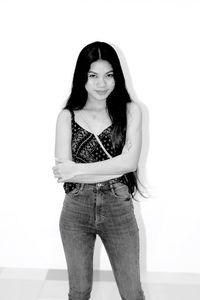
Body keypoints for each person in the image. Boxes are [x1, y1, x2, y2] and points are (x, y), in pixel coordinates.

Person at [52, 41, 145, 300]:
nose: (101, 84)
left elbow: (129, 164)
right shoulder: (67, 116)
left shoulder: (130, 111)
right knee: (79, 292)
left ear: (117, 76)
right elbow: (63, 172)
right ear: (82, 77)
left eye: (109, 75)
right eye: (93, 76)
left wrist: (77, 170)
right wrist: (109, 168)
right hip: (76, 209)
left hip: (118, 206)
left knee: (132, 293)